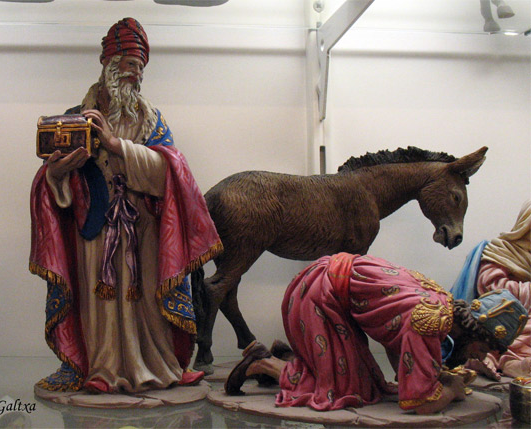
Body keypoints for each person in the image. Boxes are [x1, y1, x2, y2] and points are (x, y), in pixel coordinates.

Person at [29, 17, 222, 394]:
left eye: (141, 68)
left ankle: (161, 365)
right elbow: (52, 182)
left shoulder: (151, 120)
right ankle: (101, 370)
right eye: (131, 64)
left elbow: (171, 171)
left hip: (142, 227)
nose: (137, 75)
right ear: (110, 65)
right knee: (99, 303)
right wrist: (57, 174)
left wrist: (116, 145)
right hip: (95, 225)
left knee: (147, 302)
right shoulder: (74, 117)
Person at [224, 253, 528, 415]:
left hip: (326, 288)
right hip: (318, 295)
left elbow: (400, 353)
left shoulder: (440, 303)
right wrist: (453, 390)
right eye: (483, 348)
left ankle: (291, 358)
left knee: (369, 384)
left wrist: (434, 377)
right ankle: (263, 362)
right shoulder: (430, 321)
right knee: (345, 391)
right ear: (474, 332)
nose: (480, 357)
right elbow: (421, 404)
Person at [451, 200, 530, 378]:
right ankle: (499, 359)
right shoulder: (500, 250)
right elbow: (490, 284)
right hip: (497, 312)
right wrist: (527, 289)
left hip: (521, 313)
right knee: (513, 323)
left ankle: (514, 362)